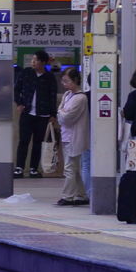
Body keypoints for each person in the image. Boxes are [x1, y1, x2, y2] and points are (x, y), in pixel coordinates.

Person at [14, 51, 57, 178]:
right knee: (23, 141)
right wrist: (19, 103)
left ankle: (34, 168)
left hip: (43, 114)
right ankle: (19, 168)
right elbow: (16, 89)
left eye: (36, 60)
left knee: (38, 142)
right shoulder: (26, 73)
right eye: (32, 59)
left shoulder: (49, 77)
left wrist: (53, 114)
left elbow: (52, 96)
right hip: (27, 113)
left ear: (43, 62)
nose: (32, 62)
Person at [56, 67, 89, 206]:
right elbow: (61, 113)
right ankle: (81, 195)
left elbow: (67, 117)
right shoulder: (67, 95)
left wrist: (61, 112)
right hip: (66, 135)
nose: (64, 84)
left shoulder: (81, 98)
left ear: (75, 80)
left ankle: (67, 196)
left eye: (67, 81)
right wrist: (62, 112)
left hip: (74, 137)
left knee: (69, 168)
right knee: (73, 168)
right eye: (63, 81)